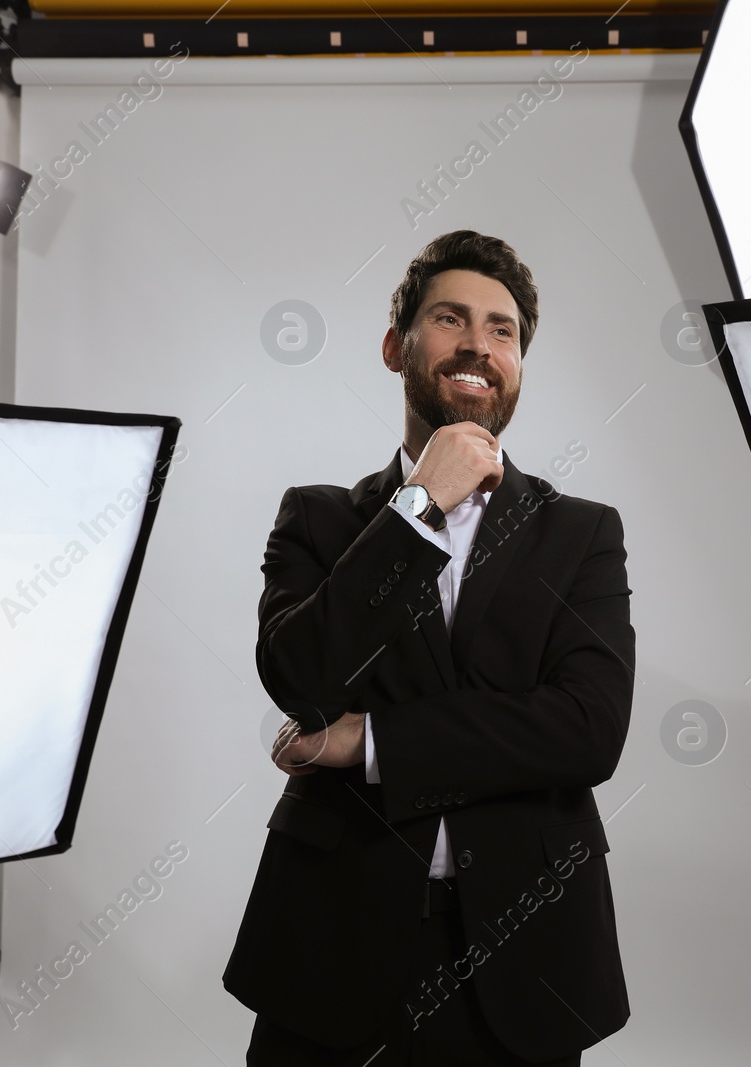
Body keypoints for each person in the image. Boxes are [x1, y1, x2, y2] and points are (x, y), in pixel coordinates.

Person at [223, 230, 635, 1065]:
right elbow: (301, 679)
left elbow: (589, 729)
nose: (479, 344)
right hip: (331, 942)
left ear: (516, 364)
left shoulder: (582, 532)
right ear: (396, 346)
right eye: (451, 318)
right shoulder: (319, 518)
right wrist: (417, 510)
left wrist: (370, 740)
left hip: (525, 952)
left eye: (503, 330)